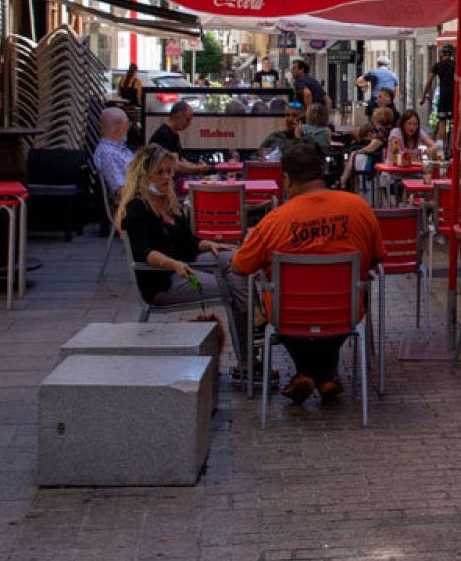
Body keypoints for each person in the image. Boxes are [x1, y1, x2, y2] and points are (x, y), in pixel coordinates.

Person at [231, 143, 385, 404]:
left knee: (284, 305)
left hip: (290, 317)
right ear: (322, 172)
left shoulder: (273, 222)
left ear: (287, 179)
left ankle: (309, 373)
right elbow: (376, 259)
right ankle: (324, 375)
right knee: (357, 290)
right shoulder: (358, 208)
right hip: (344, 314)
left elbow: (239, 267)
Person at [117, 145, 251, 371]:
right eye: (160, 172)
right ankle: (250, 352)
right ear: (144, 173)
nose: (167, 178)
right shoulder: (137, 208)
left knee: (235, 259)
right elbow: (144, 252)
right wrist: (172, 263)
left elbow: (188, 241)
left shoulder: (169, 203)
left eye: (169, 172)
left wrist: (207, 243)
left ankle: (251, 327)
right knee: (234, 286)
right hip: (163, 279)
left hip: (185, 265)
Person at [148, 103, 209, 174]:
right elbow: (175, 165)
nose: (189, 124)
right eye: (187, 120)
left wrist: (197, 166)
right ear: (177, 116)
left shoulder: (173, 134)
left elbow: (180, 159)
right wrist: (197, 169)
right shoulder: (164, 134)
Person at [93, 107, 134, 200]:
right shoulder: (108, 154)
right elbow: (120, 189)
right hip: (130, 204)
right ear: (119, 129)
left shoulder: (120, 149)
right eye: (127, 125)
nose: (128, 128)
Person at [422, 45, 456, 144]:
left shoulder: (438, 65)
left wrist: (423, 96)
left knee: (442, 121)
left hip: (443, 95)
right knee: (454, 123)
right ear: (452, 54)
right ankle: (452, 147)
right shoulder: (456, 65)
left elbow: (429, 81)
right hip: (454, 95)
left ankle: (444, 147)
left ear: (442, 54)